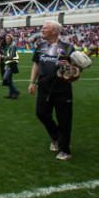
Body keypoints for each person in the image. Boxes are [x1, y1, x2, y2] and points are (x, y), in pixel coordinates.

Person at [28, 20, 76, 160]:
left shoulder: (68, 48)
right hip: (43, 87)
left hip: (62, 88)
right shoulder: (40, 46)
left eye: (45, 28)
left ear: (54, 31)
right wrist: (32, 82)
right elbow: (36, 64)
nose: (42, 30)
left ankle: (64, 150)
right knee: (41, 114)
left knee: (64, 120)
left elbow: (77, 69)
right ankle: (56, 138)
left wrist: (67, 65)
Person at [2, 34, 20, 99]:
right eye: (6, 39)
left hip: (12, 64)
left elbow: (11, 56)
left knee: (5, 79)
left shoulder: (12, 46)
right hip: (8, 64)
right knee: (9, 79)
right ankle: (11, 94)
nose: (7, 40)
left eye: (8, 39)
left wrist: (4, 57)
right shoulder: (9, 46)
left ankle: (15, 91)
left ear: (11, 39)